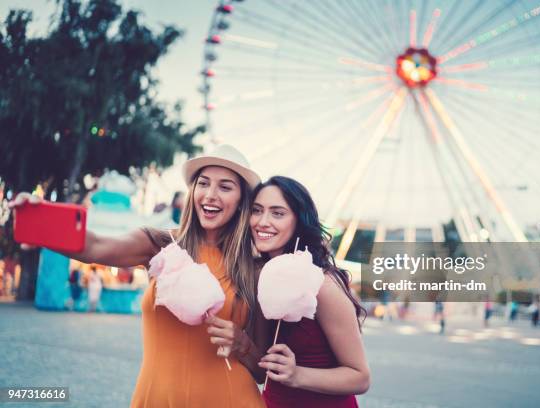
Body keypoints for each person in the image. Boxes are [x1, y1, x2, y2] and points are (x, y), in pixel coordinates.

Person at [10, 144, 268, 407]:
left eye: (225, 187)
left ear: (240, 202)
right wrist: (39, 217)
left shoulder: (254, 269)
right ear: (193, 192)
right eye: (203, 184)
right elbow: (96, 246)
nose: (210, 195)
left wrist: (243, 344)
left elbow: (262, 372)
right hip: (156, 398)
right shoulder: (160, 244)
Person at [251, 176, 370, 407]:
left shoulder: (323, 286)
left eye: (277, 213)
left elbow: (360, 377)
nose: (262, 221)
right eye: (256, 210)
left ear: (299, 221)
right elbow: (262, 369)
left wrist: (296, 375)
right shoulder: (259, 276)